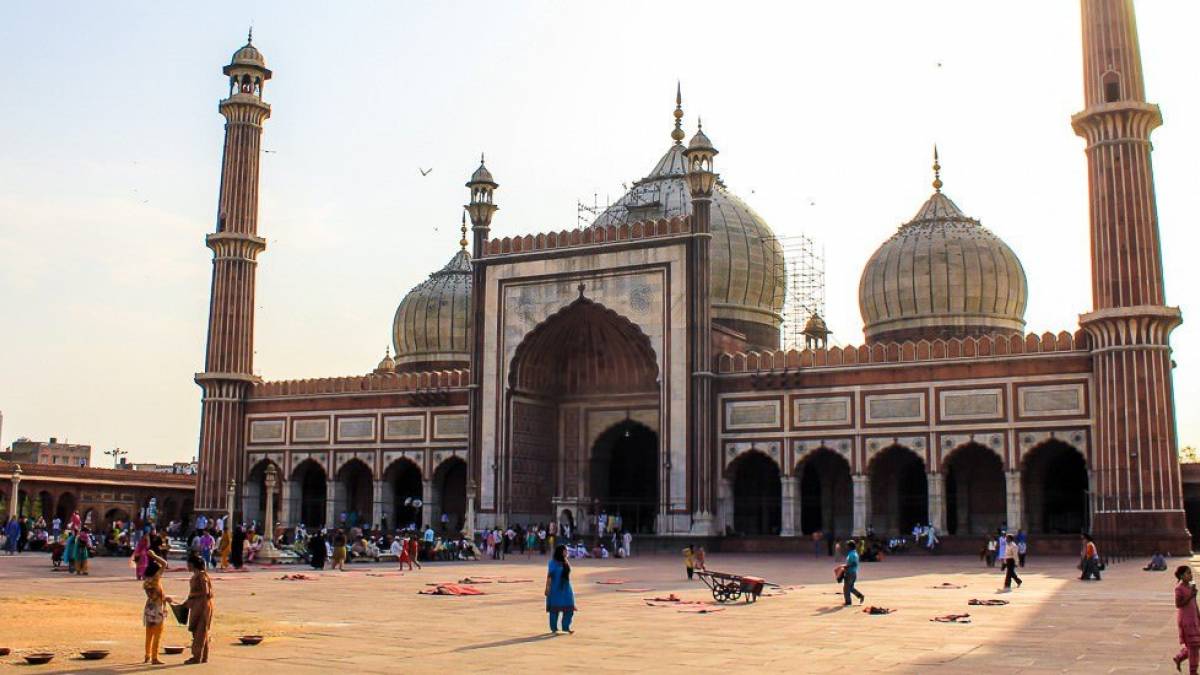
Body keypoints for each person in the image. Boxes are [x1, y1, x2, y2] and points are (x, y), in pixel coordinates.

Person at [142, 549, 173, 664]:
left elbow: (153, 595)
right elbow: (165, 564)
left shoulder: (146, 581)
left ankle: (147, 655)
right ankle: (154, 657)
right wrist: (154, 556)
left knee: (149, 633)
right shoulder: (156, 579)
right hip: (157, 608)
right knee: (157, 633)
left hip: (149, 607)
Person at [183, 553, 214, 664]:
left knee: (200, 631)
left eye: (188, 564)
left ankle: (196, 657)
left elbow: (205, 592)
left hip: (203, 606)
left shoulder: (201, 576)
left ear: (192, 564)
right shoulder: (197, 575)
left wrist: (192, 597)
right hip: (197, 605)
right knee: (200, 631)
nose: (187, 566)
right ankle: (203, 656)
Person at [1174, 565, 1200, 674]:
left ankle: (1179, 657)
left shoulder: (1190, 587)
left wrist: (1199, 615)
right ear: (1181, 576)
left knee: (1196, 644)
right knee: (1193, 647)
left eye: (1190, 573)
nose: (1190, 575)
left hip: (1194, 619)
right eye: (1188, 573)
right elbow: (1178, 604)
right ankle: (1193, 672)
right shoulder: (1179, 588)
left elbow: (1194, 603)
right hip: (1186, 621)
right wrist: (1190, 596)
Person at [545, 544, 576, 635]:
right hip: (555, 588)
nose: (567, 552)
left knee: (569, 608)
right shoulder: (552, 563)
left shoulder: (566, 562)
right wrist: (547, 588)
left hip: (566, 588)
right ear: (560, 552)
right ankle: (554, 628)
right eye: (565, 550)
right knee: (554, 609)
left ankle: (566, 627)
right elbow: (549, 576)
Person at [843, 539, 865, 606]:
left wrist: (847, 566)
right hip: (852, 573)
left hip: (850, 573)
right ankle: (860, 596)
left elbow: (854, 563)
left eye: (847, 546)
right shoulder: (853, 553)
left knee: (846, 588)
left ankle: (848, 602)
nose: (846, 547)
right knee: (850, 588)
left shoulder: (852, 554)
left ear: (850, 547)